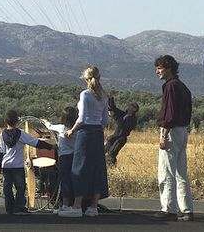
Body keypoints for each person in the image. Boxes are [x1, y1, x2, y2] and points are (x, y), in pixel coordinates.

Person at [59, 65, 109, 218]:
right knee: (96, 168)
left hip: (85, 133)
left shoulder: (85, 94)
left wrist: (71, 131)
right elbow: (104, 120)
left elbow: (81, 119)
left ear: (86, 79)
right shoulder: (104, 96)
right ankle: (93, 206)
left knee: (79, 168)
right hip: (98, 133)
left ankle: (77, 206)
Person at [152, 55, 194, 222]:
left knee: (166, 171)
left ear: (168, 68)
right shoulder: (183, 87)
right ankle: (186, 209)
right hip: (182, 130)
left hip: (171, 131)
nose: (157, 71)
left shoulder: (170, 86)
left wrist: (163, 135)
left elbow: (168, 113)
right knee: (181, 172)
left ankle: (168, 208)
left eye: (160, 68)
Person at [0, 109, 55, 215]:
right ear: (17, 121)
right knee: (21, 187)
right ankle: (19, 208)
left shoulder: (2, 135)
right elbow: (35, 142)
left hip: (6, 166)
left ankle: (10, 209)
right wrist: (51, 147)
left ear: (5, 121)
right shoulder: (21, 134)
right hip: (17, 166)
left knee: (7, 189)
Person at [43, 106, 79, 214]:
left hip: (64, 157)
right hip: (75, 157)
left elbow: (49, 126)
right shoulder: (77, 130)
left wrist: (45, 121)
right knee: (74, 180)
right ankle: (74, 203)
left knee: (65, 180)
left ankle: (65, 204)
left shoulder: (61, 128)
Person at [104, 94, 139, 165]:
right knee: (103, 151)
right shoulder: (124, 114)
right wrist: (111, 99)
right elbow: (114, 108)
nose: (129, 105)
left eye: (131, 105)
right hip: (115, 136)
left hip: (121, 138)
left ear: (134, 109)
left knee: (111, 154)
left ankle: (112, 170)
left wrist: (114, 116)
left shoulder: (133, 119)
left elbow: (122, 126)